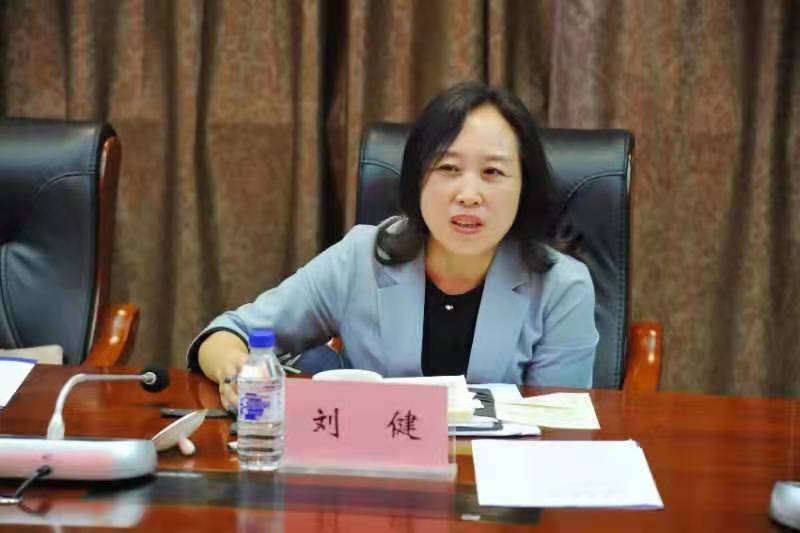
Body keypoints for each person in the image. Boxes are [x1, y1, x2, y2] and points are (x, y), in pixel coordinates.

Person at [187, 81, 599, 411]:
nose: (469, 194)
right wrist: (235, 370)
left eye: (492, 172)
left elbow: (559, 426)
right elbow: (229, 332)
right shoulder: (361, 258)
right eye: (448, 168)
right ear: (418, 179)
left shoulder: (561, 286)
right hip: (373, 475)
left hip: (495, 480)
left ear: (524, 186)